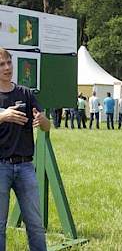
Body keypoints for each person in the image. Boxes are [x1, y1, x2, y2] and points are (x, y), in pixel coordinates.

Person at [0, 48, 50, 251]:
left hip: (26, 167)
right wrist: (3, 116)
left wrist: (43, 120)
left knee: (36, 225)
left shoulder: (26, 93)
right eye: (1, 64)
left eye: (9, 63)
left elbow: (46, 127)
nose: (7, 68)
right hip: (0, 166)